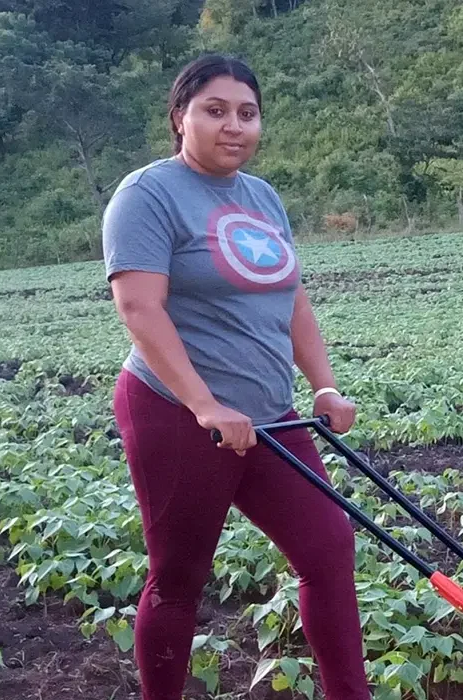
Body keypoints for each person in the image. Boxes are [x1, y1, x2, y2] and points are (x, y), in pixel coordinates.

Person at [102, 53, 372, 700]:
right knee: (179, 577)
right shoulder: (147, 195)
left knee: (329, 548)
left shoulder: (261, 196)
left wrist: (324, 385)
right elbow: (140, 307)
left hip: (272, 412)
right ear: (180, 117)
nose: (234, 126)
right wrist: (203, 405)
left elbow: (291, 299)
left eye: (247, 113)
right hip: (176, 411)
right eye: (215, 110)